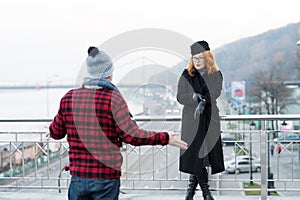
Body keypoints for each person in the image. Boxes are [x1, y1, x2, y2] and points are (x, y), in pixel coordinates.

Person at [48, 46, 188, 200]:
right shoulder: (113, 99)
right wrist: (165, 138)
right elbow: (132, 136)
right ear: (110, 74)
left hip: (78, 178)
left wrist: (51, 128)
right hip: (105, 178)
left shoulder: (69, 98)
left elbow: (56, 132)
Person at [177, 41, 225, 200]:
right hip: (191, 121)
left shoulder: (216, 74)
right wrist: (193, 97)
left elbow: (215, 92)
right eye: (194, 58)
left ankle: (191, 191)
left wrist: (203, 102)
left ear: (207, 58)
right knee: (194, 156)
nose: (197, 61)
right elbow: (180, 97)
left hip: (209, 119)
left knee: (204, 157)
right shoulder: (186, 74)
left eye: (200, 58)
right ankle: (205, 192)